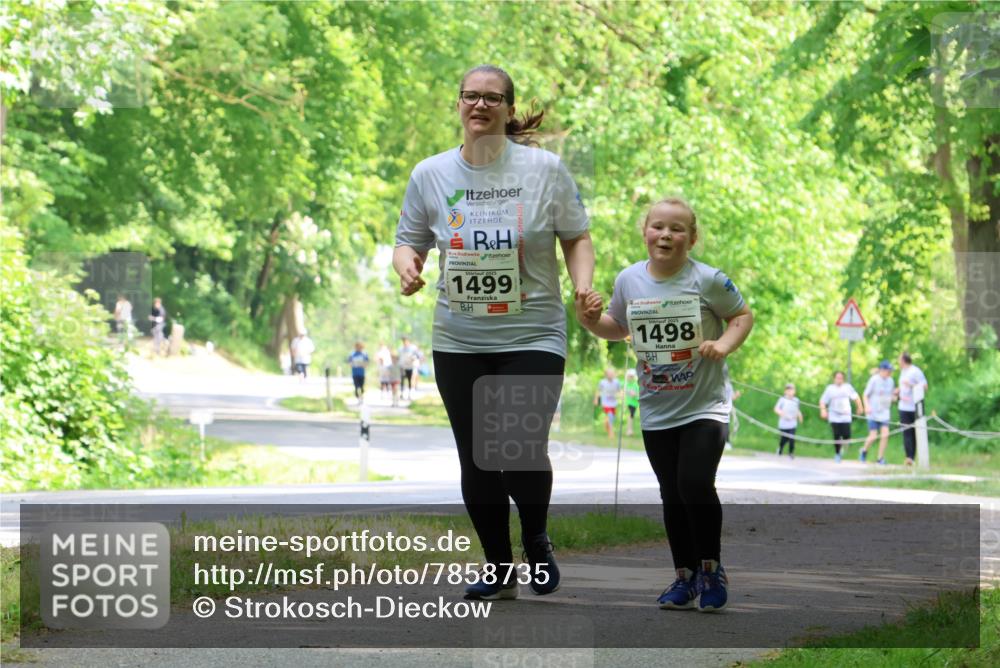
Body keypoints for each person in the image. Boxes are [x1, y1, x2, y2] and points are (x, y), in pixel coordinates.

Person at [393, 64, 594, 601]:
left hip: (533, 331)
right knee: (477, 455)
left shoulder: (544, 170)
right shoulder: (431, 173)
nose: (479, 106)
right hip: (459, 336)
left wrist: (583, 287)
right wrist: (408, 266)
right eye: (470, 97)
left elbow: (576, 237)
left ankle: (535, 537)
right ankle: (498, 567)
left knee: (519, 445)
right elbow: (407, 240)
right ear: (458, 104)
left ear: (509, 109)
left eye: (491, 98)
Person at [578, 196, 753, 613]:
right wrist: (588, 320)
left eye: (677, 229)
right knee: (671, 494)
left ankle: (711, 569)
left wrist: (723, 345)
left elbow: (742, 316)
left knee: (694, 483)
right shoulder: (629, 280)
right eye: (658, 226)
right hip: (658, 409)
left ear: (691, 239)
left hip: (704, 406)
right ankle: (684, 576)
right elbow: (617, 328)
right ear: (645, 232)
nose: (666, 235)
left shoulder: (709, 280)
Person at [819, 371, 863, 463]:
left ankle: (843, 447)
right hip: (834, 416)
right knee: (837, 435)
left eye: (841, 378)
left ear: (843, 379)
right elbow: (823, 401)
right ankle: (837, 453)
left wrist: (860, 407)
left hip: (845, 416)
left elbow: (856, 397)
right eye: (837, 378)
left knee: (847, 435)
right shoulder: (830, 389)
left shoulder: (847, 387)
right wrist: (823, 411)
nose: (839, 380)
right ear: (834, 379)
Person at [896, 351, 928, 466]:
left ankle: (916, 457)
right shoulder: (903, 372)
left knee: (916, 432)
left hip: (914, 408)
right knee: (906, 432)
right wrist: (897, 391)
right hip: (903, 407)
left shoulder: (915, 371)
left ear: (904, 360)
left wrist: (911, 385)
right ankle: (909, 458)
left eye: (899, 359)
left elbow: (924, 386)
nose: (898, 362)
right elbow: (903, 387)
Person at [860, 360, 895, 465]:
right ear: (882, 370)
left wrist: (894, 397)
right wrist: (867, 406)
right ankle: (864, 450)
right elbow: (865, 395)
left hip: (884, 412)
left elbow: (891, 395)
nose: (889, 373)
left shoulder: (891, 381)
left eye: (890, 371)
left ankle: (880, 458)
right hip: (873, 412)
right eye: (888, 370)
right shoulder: (874, 380)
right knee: (873, 436)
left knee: (885, 434)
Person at [774, 383, 802, 458]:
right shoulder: (782, 400)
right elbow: (776, 409)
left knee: (792, 438)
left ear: (794, 391)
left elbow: (798, 410)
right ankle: (780, 448)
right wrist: (781, 413)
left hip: (792, 423)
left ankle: (791, 452)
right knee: (784, 439)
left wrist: (800, 416)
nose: (790, 392)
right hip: (783, 424)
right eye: (788, 390)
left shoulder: (796, 400)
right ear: (785, 391)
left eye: (791, 390)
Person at [594, 368, 621, 439]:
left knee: (612, 417)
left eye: (612, 374)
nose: (611, 375)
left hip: (613, 403)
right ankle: (611, 433)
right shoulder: (602, 382)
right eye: (609, 374)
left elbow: (619, 391)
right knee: (610, 416)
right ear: (606, 375)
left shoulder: (617, 382)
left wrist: (621, 395)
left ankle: (606, 424)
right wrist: (596, 399)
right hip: (605, 402)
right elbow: (598, 390)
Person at [624, 368, 640, 436]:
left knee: (631, 416)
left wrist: (635, 395)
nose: (630, 377)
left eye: (632, 376)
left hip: (635, 403)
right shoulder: (626, 384)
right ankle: (629, 430)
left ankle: (630, 430)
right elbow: (625, 392)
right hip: (629, 403)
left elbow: (638, 395)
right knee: (630, 416)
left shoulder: (635, 384)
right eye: (629, 376)